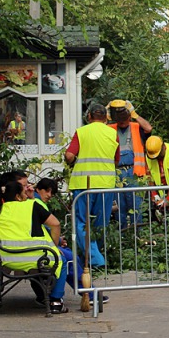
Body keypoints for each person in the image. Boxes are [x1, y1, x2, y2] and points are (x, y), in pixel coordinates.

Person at [0, 179, 69, 314]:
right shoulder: (33, 205)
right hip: (37, 258)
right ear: (18, 197)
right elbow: (55, 224)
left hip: (7, 258)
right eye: (24, 194)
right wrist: (54, 247)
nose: (27, 195)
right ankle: (55, 302)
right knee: (62, 261)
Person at [34, 178, 109, 305]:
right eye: (47, 191)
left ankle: (44, 295)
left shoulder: (27, 202)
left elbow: (39, 227)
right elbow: (51, 225)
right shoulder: (36, 202)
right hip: (38, 248)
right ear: (37, 189)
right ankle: (88, 293)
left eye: (51, 193)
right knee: (69, 259)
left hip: (29, 246)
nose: (49, 195)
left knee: (69, 255)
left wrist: (57, 241)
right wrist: (54, 244)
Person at [65, 103, 120, 267]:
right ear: (105, 118)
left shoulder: (82, 132)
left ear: (89, 116)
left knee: (81, 222)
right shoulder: (113, 133)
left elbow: (69, 156)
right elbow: (116, 160)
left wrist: (74, 161)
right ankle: (94, 257)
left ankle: (95, 259)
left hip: (83, 184)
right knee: (100, 224)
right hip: (106, 184)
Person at [107, 99, 152, 229]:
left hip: (134, 173)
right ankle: (122, 239)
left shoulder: (136, 127)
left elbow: (148, 128)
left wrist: (135, 114)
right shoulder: (110, 129)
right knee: (118, 207)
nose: (120, 119)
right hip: (116, 172)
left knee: (136, 207)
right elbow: (98, 127)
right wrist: (106, 112)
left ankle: (138, 238)